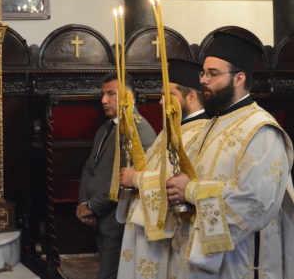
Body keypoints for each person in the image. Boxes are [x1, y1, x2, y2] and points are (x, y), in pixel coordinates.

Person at [166, 32, 294, 279]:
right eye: (203, 73)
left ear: (239, 78)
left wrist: (189, 190)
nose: (204, 80)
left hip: (240, 260)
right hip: (200, 258)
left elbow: (255, 201)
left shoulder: (261, 130)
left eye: (213, 74)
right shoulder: (212, 125)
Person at [117, 58, 208, 279]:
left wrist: (136, 179)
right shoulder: (172, 130)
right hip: (144, 228)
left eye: (169, 95)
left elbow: (178, 181)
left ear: (191, 96)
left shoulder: (201, 132)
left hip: (166, 236)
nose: (161, 102)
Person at [76, 72, 156, 279]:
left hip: (118, 220)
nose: (104, 100)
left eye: (111, 94)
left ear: (130, 96)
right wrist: (83, 202)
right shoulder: (106, 128)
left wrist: (92, 206)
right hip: (101, 218)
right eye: (103, 94)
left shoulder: (137, 129)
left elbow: (123, 180)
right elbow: (89, 168)